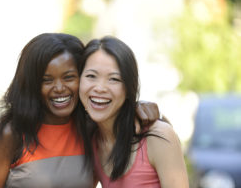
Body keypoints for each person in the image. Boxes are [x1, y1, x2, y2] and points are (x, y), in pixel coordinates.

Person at [0, 33, 160, 188]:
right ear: (31, 85)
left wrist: (137, 107)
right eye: (47, 80)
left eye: (69, 77)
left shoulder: (91, 129)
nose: (59, 88)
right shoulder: (9, 136)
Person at [78, 36, 189, 188]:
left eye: (114, 79)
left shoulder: (158, 137)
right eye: (91, 76)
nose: (100, 88)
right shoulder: (91, 141)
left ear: (129, 87)